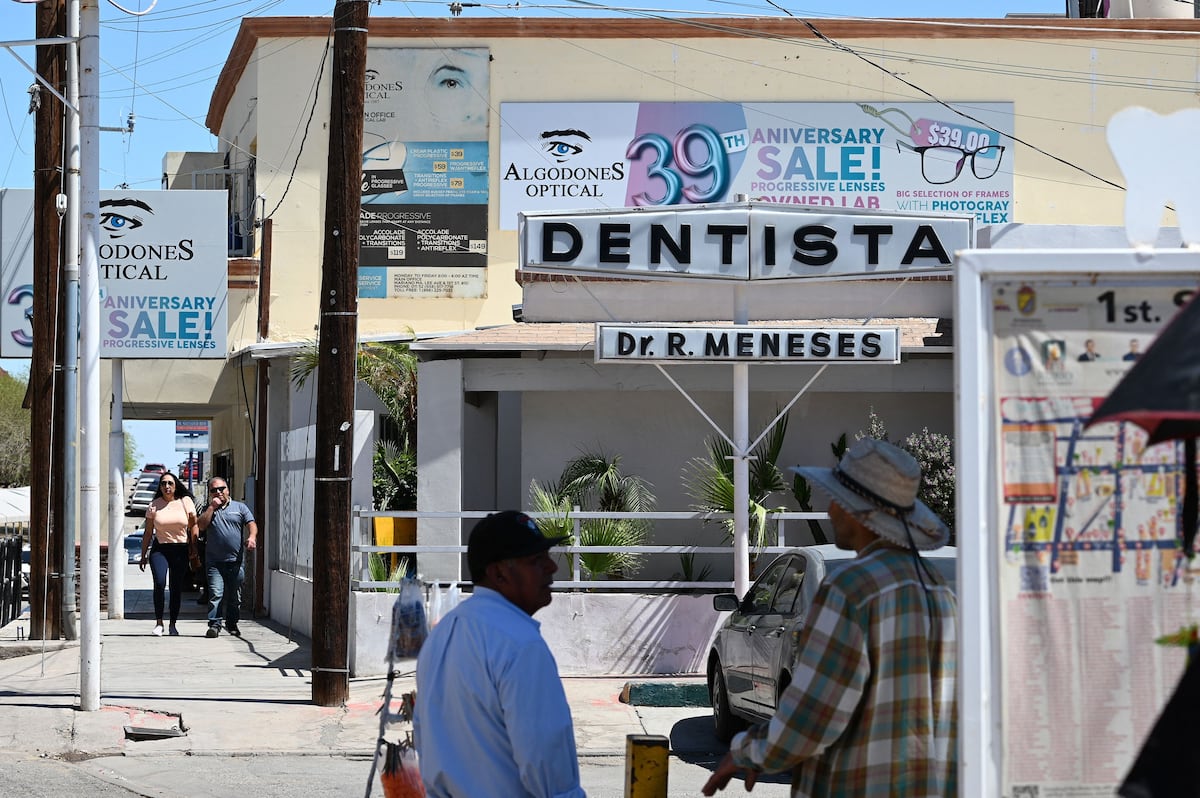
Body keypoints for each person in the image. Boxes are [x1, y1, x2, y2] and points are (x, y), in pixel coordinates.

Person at [702, 438, 958, 797]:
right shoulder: (940, 592)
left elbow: (813, 715)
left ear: (863, 513)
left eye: (839, 501)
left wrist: (748, 751)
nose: (832, 511)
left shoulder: (850, 589)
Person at [414, 511, 585, 798]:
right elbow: (549, 769)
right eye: (535, 560)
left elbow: (425, 741)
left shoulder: (442, 635)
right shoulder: (521, 644)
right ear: (499, 573)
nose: (552, 568)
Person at [138, 472, 199, 637]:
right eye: (163, 483)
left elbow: (194, 526)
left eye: (170, 483)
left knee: (175, 587)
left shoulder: (185, 501)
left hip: (180, 549)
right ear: (160, 486)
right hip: (160, 549)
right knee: (159, 582)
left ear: (175, 485)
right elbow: (148, 532)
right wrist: (143, 555)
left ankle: (173, 623)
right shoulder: (154, 505)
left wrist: (194, 547)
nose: (167, 486)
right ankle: (159, 623)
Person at [196, 476, 257, 638]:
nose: (218, 492)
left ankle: (232, 623)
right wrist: (211, 508)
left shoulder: (240, 507)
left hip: (235, 561)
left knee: (234, 597)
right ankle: (214, 625)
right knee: (216, 594)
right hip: (214, 562)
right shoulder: (207, 509)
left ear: (228, 490)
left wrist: (251, 537)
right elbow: (200, 525)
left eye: (221, 489)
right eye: (213, 490)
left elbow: (251, 523)